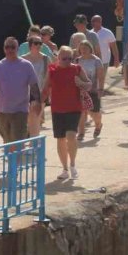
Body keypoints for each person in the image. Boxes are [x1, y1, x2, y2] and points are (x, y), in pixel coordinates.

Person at [41, 46, 91, 180]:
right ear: (58, 58)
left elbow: (88, 84)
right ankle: (64, 168)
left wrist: (80, 82)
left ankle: (73, 165)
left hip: (74, 108)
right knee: (60, 139)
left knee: (71, 136)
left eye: (70, 58)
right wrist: (39, 104)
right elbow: (46, 88)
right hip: (57, 109)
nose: (68, 61)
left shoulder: (77, 69)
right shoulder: (52, 70)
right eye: (64, 58)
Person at [0, 37, 41, 145]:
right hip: (2, 110)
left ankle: (17, 159)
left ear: (17, 49)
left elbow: (34, 86)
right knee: (6, 139)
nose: (10, 50)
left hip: (20, 110)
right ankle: (13, 159)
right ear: (4, 49)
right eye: (7, 47)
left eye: (13, 47)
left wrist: (38, 102)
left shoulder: (26, 65)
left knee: (18, 139)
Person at [75, 40, 104, 140]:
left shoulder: (96, 60)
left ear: (90, 49)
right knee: (82, 112)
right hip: (81, 90)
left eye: (85, 48)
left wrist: (101, 89)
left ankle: (98, 125)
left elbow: (101, 76)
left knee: (94, 113)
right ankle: (81, 133)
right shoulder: (77, 60)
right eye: (81, 48)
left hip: (93, 90)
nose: (83, 50)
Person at [21, 35, 48, 137]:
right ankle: (29, 132)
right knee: (28, 119)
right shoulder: (23, 59)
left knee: (36, 120)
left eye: (40, 43)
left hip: (39, 93)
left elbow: (48, 77)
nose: (38, 45)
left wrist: (47, 93)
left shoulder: (45, 59)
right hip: (25, 93)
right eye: (36, 43)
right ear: (30, 45)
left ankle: (34, 146)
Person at [91, 15, 120, 93]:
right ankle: (95, 93)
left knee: (101, 78)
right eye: (92, 21)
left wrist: (116, 59)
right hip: (92, 60)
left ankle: (99, 94)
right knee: (93, 78)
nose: (93, 23)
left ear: (100, 22)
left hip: (104, 60)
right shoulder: (90, 33)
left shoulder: (107, 32)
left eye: (95, 21)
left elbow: (113, 46)